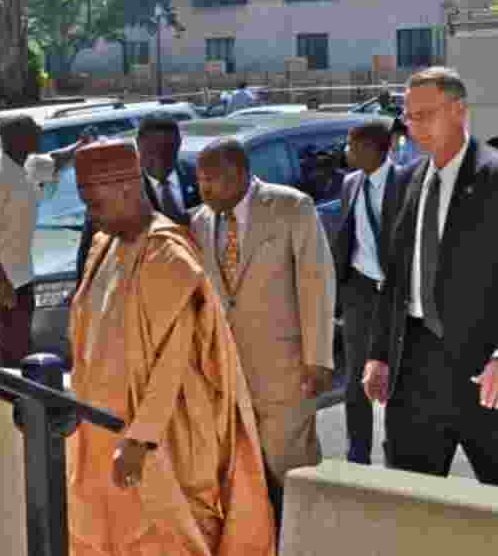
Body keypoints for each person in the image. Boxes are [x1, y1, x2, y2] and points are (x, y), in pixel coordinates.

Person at [67, 139, 276, 556]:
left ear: (127, 190)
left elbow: (174, 360)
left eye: (95, 205)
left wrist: (140, 439)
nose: (91, 216)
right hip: (101, 431)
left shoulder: (168, 254)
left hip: (159, 443)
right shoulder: (105, 246)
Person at [362, 67, 498, 496]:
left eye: (425, 114)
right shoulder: (403, 182)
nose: (414, 126)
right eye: (409, 117)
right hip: (414, 372)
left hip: (485, 370)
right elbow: (394, 281)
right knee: (409, 502)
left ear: (458, 111)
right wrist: (379, 354)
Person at [189, 138, 336, 528]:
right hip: (227, 373)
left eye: (210, 180)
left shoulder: (290, 207)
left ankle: (308, 540)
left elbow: (316, 282)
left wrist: (318, 358)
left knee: (290, 467)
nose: (202, 189)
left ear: (237, 174)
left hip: (286, 369)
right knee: (243, 474)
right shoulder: (200, 221)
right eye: (199, 180)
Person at [0, 115, 88, 367]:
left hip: (19, 276)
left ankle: (16, 401)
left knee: (18, 350)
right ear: (18, 139)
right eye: (34, 129)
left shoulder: (27, 164)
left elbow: (56, 160)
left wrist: (79, 146)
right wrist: (2, 282)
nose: (40, 131)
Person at [332, 122, 408, 464]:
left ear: (372, 150)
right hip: (360, 294)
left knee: (398, 377)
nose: (346, 152)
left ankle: (399, 451)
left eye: (351, 146)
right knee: (354, 382)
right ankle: (357, 453)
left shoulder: (406, 184)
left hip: (397, 296)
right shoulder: (350, 184)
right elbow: (347, 239)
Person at [75, 114, 200, 282]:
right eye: (153, 150)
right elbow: (90, 254)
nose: (160, 157)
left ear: (179, 144)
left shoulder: (200, 177)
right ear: (139, 146)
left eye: (168, 149)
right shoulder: (116, 190)